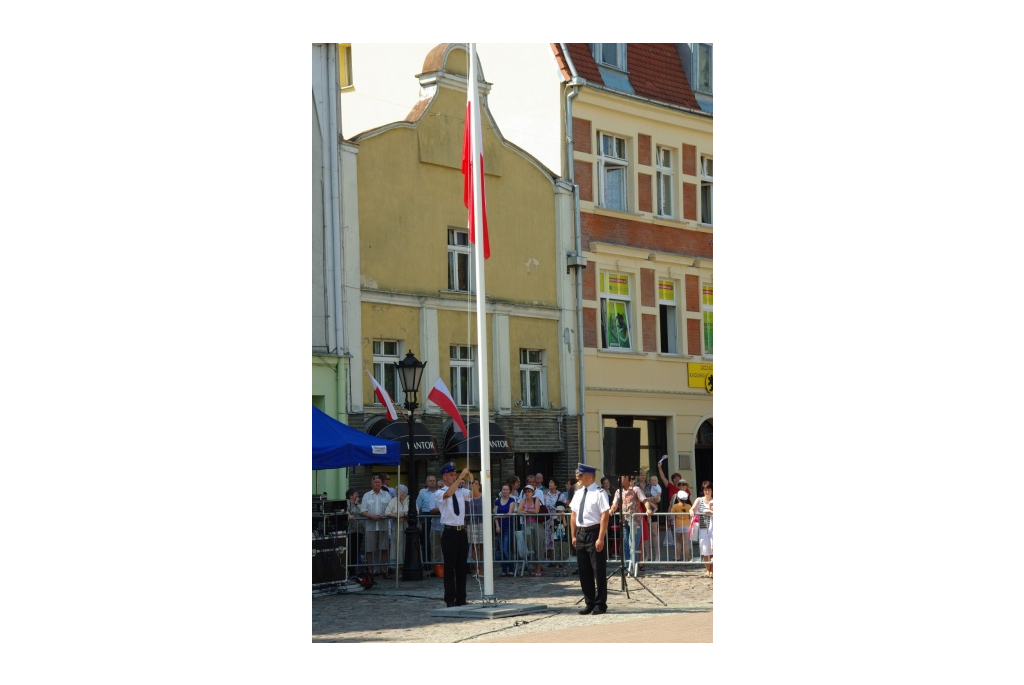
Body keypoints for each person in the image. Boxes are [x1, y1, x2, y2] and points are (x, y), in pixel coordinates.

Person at [569, 463, 610, 615]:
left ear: (589, 476)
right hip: (581, 533)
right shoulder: (578, 493)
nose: (578, 478)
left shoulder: (599, 493)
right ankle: (589, 602)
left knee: (598, 570)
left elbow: (604, 515)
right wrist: (573, 535)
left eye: (580, 476)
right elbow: (573, 514)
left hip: (594, 532)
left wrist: (600, 537)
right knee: (584, 570)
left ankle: (600, 603)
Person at [435, 462, 474, 607]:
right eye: (451, 475)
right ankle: (450, 599)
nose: (454, 476)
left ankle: (461, 598)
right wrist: (461, 478)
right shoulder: (440, 492)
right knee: (450, 567)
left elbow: (475, 495)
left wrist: (472, 480)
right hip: (449, 532)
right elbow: (448, 494)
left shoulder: (460, 490)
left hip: (461, 531)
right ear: (445, 477)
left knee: (462, 567)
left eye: (455, 474)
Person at [609, 475, 647, 575]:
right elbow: (615, 503)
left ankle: (633, 567)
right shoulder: (618, 492)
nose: (618, 480)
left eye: (621, 478)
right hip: (624, 521)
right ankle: (627, 567)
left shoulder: (636, 489)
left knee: (633, 544)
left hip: (635, 522)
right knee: (625, 544)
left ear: (627, 479)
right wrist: (612, 509)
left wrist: (649, 509)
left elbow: (644, 500)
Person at [360, 476, 392, 576]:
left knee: (384, 547)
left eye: (379, 482)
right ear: (371, 484)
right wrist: (371, 516)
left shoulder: (386, 495)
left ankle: (384, 569)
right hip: (370, 525)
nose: (377, 484)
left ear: (381, 484)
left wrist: (383, 515)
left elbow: (390, 509)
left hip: (383, 525)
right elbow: (362, 510)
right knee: (370, 548)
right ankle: (371, 570)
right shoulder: (366, 495)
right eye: (375, 482)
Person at [416, 474, 442, 569]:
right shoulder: (422, 493)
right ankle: (427, 563)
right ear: (427, 483)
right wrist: (420, 521)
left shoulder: (439, 492)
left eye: (434, 481)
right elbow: (418, 506)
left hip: (436, 516)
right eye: (430, 481)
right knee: (426, 540)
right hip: (426, 516)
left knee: (436, 540)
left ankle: (437, 563)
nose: (432, 482)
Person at [517, 484, 545, 576]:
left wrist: (526, 510)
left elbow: (536, 511)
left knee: (538, 545)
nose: (527, 493)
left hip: (537, 524)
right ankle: (535, 569)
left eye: (529, 491)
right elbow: (518, 510)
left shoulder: (536, 499)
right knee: (531, 546)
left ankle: (539, 570)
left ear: (533, 492)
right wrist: (528, 510)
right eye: (526, 491)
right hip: (527, 524)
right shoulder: (523, 500)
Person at [383, 484, 409, 579]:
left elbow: (414, 512)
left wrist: (403, 515)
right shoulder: (393, 501)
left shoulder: (409, 500)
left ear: (404, 492)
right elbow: (387, 512)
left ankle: (407, 568)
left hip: (407, 528)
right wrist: (398, 516)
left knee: (406, 547)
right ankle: (398, 569)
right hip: (397, 528)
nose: (397, 493)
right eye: (396, 491)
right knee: (398, 548)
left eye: (399, 491)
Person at [493, 483, 516, 577]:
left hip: (508, 526)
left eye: (507, 489)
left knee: (506, 549)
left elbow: (509, 513)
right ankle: (503, 569)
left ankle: (511, 568)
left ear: (509, 491)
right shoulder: (497, 501)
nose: (505, 491)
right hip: (499, 527)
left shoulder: (512, 500)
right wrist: (497, 526)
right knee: (501, 549)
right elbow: (495, 515)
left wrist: (499, 516)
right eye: (503, 489)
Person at [692, 480, 713, 577]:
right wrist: (691, 512)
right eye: (705, 490)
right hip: (703, 528)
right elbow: (692, 508)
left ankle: (713, 570)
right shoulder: (699, 500)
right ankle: (708, 570)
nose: (707, 492)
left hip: (713, 528)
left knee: (713, 550)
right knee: (705, 550)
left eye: (708, 490)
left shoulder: (714, 501)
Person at [541, 478, 564, 565]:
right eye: (549, 482)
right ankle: (551, 560)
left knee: (557, 538)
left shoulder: (560, 495)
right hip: (547, 520)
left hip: (556, 519)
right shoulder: (545, 495)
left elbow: (563, 507)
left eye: (552, 482)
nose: (550, 484)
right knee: (548, 539)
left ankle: (558, 559)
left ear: (556, 485)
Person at [466, 480, 484, 577]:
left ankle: (482, 569)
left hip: (481, 523)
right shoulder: (468, 496)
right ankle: (476, 568)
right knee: (473, 547)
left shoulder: (483, 496)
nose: (475, 485)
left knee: (481, 546)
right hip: (470, 523)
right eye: (473, 484)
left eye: (477, 484)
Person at [669, 489, 692, 561]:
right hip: (687, 525)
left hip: (678, 525)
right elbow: (691, 516)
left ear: (678, 498)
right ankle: (686, 558)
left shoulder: (675, 506)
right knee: (686, 543)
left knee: (678, 541)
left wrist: (672, 522)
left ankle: (678, 557)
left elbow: (672, 517)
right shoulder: (689, 506)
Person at [345, 488, 363, 568]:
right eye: (356, 493)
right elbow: (345, 511)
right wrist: (348, 515)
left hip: (359, 530)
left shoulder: (357, 504)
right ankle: (350, 569)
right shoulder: (347, 503)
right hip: (351, 531)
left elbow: (363, 511)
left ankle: (354, 568)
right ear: (350, 495)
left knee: (356, 550)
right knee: (351, 550)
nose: (358, 495)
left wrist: (357, 504)